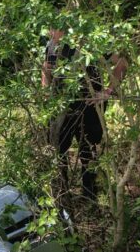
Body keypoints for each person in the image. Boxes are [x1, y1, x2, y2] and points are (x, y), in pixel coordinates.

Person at [42, 26, 128, 202]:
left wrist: (107, 91)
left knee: (88, 152)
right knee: (58, 152)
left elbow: (122, 63)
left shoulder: (89, 41)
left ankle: (90, 198)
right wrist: (46, 95)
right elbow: (47, 69)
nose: (50, 33)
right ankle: (62, 199)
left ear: (64, 28)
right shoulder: (51, 45)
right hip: (61, 108)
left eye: (54, 29)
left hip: (90, 106)